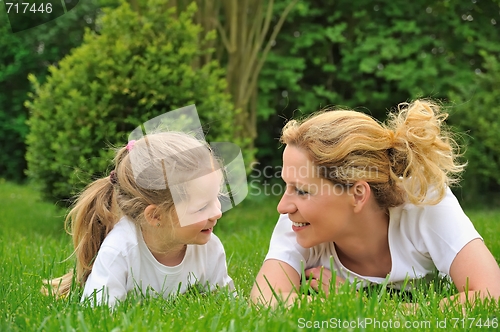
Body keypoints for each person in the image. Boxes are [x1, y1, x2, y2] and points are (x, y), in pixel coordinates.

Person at [251, 99, 500, 307]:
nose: (283, 207)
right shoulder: (299, 221)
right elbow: (264, 299)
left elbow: (491, 295)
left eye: (302, 190)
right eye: (288, 186)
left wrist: (359, 304)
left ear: (358, 194)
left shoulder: (426, 201)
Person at [43, 131, 234, 306]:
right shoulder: (119, 252)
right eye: (202, 207)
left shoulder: (210, 248)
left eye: (216, 198)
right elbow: (98, 316)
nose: (217, 212)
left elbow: (226, 303)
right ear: (155, 215)